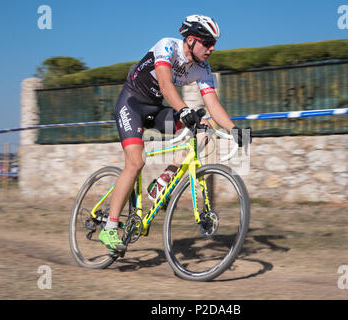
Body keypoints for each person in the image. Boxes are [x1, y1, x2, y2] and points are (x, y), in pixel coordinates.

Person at [99, 14, 252, 253]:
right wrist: (183, 110)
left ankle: (163, 181)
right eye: (207, 42)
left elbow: (212, 103)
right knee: (135, 162)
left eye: (214, 44)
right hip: (131, 105)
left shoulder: (203, 68)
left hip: (157, 109)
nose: (211, 48)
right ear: (191, 40)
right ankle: (109, 228)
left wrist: (233, 130)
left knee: (205, 129)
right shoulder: (167, 47)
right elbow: (164, 84)